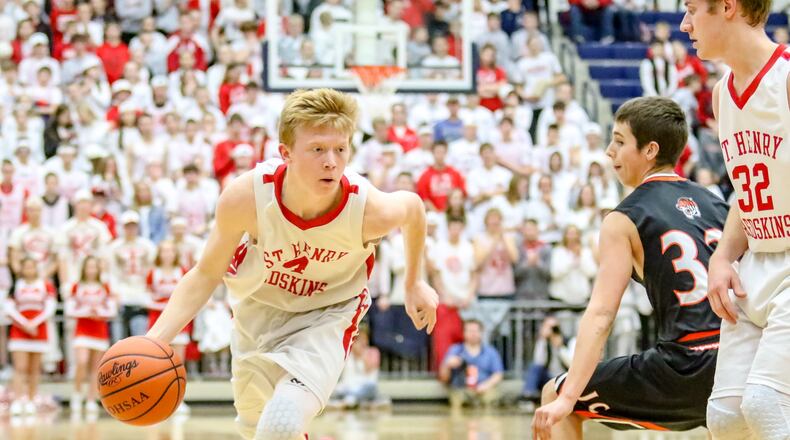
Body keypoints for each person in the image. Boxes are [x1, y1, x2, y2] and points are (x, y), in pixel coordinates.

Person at [145, 88, 438, 440]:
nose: (331, 161)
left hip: (328, 314)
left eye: (340, 149)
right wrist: (154, 340)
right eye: (317, 149)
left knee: (281, 422)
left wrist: (414, 283)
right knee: (262, 433)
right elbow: (206, 272)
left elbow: (413, 208)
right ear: (286, 154)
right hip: (257, 313)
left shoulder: (367, 209)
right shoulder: (247, 197)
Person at [531, 97, 728, 439]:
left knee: (555, 395)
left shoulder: (624, 218)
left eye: (620, 142)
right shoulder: (715, 202)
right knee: (724, 422)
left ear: (650, 150)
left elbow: (602, 314)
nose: (610, 151)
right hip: (736, 360)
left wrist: (568, 397)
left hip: (684, 368)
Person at [680, 1, 790, 438]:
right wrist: (723, 256)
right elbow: (747, 192)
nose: (685, 24)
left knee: (765, 404)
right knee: (726, 418)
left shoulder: (785, 77)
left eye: (690, 9)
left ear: (727, 7)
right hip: (755, 263)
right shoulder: (723, 94)